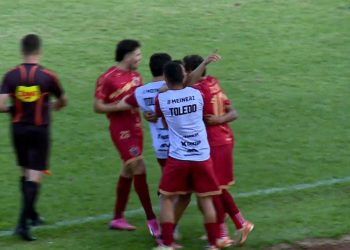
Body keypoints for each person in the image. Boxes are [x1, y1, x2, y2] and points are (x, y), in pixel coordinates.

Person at [152, 60, 232, 250]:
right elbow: (204, 116)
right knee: (206, 199)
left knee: (167, 198)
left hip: (178, 158)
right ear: (184, 76)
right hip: (202, 156)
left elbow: (162, 122)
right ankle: (214, 243)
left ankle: (167, 243)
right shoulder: (198, 94)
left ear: (166, 78)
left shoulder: (161, 100)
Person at [0, 34, 68, 241]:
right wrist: (54, 106)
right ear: (39, 51)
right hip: (39, 131)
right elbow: (63, 100)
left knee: (25, 171)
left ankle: (32, 214)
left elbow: (0, 105)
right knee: (35, 175)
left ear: (22, 51)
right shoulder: (48, 76)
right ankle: (22, 224)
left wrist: (13, 109)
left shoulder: (11, 75)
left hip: (18, 129)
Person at [183, 54, 254, 246]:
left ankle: (228, 231)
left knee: (212, 190)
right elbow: (233, 112)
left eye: (184, 70)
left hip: (213, 144)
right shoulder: (214, 83)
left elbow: (188, 83)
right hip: (224, 140)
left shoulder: (196, 89)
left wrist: (217, 120)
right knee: (217, 189)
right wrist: (221, 119)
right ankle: (236, 226)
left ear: (190, 72)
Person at [93, 39, 159, 237]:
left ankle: (117, 218)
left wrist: (148, 112)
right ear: (127, 55)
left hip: (136, 129)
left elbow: (138, 101)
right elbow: (97, 106)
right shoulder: (107, 78)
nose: (139, 58)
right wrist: (118, 107)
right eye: (137, 55)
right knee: (139, 166)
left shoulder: (136, 76)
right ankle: (152, 219)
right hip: (121, 130)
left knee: (128, 171)